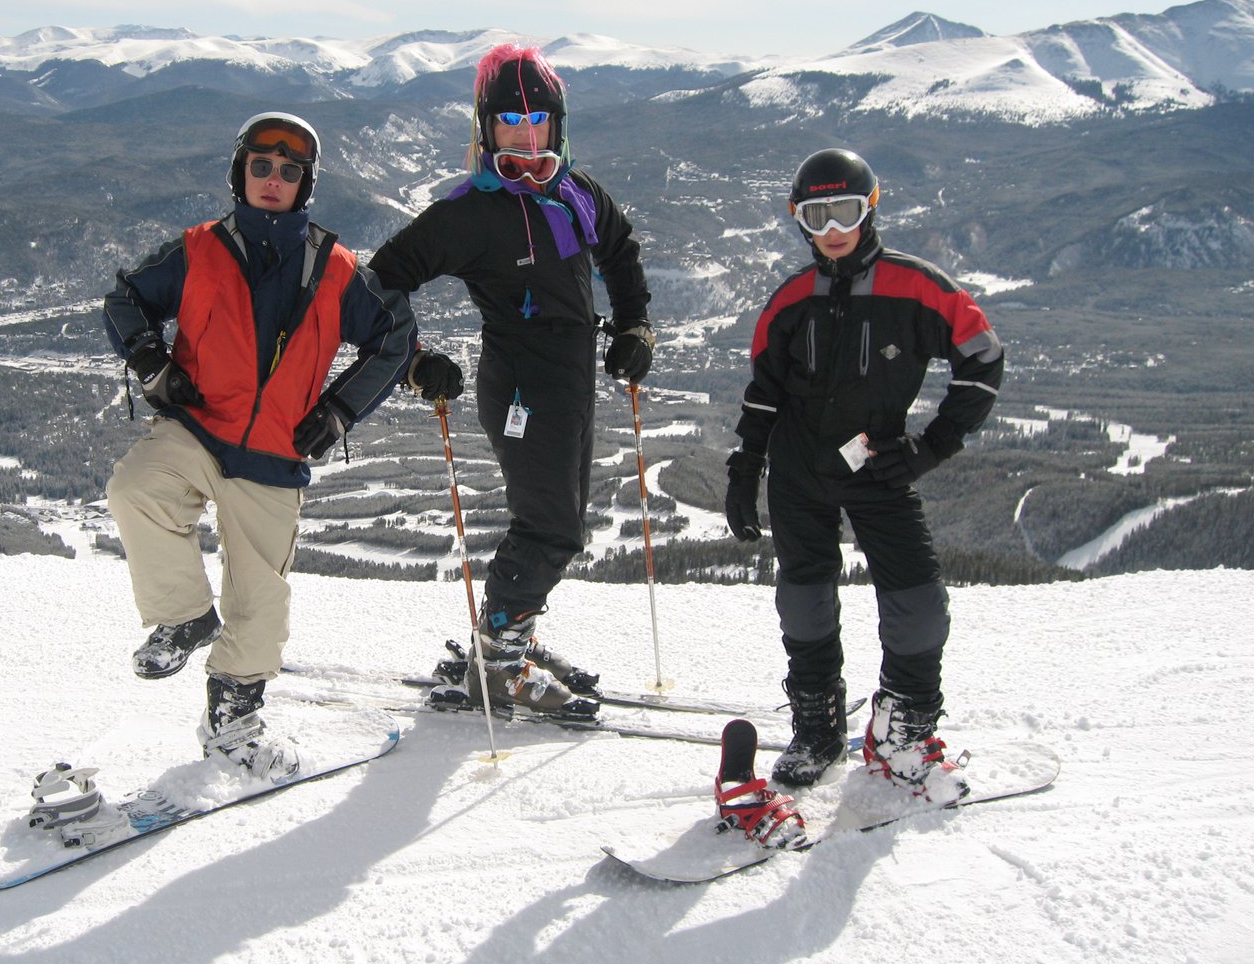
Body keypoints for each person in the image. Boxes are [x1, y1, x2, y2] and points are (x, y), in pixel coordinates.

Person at [103, 112, 415, 780]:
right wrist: (154, 365)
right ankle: (184, 618)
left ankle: (234, 727)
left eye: (290, 171)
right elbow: (125, 300)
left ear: (305, 186)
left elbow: (394, 339)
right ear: (240, 174)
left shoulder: (335, 269)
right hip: (196, 427)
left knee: (259, 596)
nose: (274, 180)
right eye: (261, 167)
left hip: (274, 452)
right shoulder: (198, 249)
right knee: (135, 490)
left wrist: (337, 412)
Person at [369, 44, 654, 716]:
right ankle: (498, 664)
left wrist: (636, 327)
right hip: (522, 388)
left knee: (558, 520)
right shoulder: (471, 212)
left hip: (572, 380)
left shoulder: (577, 193)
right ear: (484, 129)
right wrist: (414, 359)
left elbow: (620, 248)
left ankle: (508, 638)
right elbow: (379, 281)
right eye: (508, 123)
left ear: (557, 128)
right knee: (552, 528)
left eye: (537, 124)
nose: (525, 138)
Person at [725, 148, 1003, 801]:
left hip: (873, 463)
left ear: (870, 207)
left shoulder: (917, 288)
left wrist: (933, 445)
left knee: (918, 604)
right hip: (798, 469)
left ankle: (900, 733)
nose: (831, 230)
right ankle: (817, 728)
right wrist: (745, 467)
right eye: (815, 216)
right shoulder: (791, 300)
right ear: (799, 220)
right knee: (804, 598)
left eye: (844, 211)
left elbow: (983, 359)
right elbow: (763, 392)